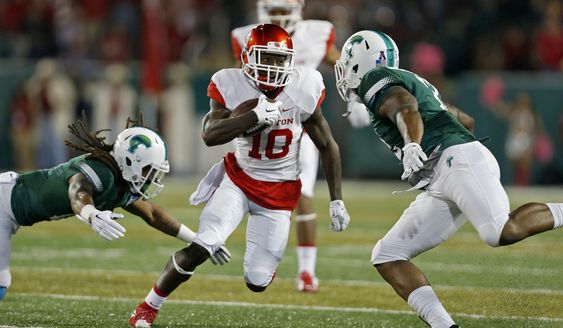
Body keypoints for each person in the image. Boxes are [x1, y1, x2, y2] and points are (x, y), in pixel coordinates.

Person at [334, 30, 563, 328]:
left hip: (455, 161)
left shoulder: (374, 79)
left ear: (359, 63)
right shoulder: (405, 79)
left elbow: (405, 107)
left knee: (499, 231)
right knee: (387, 255)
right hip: (442, 173)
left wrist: (413, 142)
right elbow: (464, 120)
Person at [128, 24, 350, 327]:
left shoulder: (304, 86)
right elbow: (209, 134)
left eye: (277, 59)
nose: (272, 66)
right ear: (247, 57)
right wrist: (253, 117)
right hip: (239, 182)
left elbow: (327, 145)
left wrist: (337, 200)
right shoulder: (230, 83)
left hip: (279, 193)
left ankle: (264, 264)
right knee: (203, 245)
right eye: (265, 58)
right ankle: (147, 308)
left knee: (257, 281)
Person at [0, 113, 231, 302]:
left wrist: (197, 240)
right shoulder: (102, 172)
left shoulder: (121, 183)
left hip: (11, 211)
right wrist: (91, 214)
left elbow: (152, 214)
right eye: (147, 170)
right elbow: (78, 191)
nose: (150, 178)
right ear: (130, 161)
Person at [231, 0, 368, 292]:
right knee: (256, 196)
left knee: (302, 195)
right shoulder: (246, 36)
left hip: (299, 126)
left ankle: (306, 272)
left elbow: (342, 65)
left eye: (284, 11)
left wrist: (356, 96)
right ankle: (265, 259)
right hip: (261, 127)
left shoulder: (316, 34)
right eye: (274, 12)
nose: (279, 17)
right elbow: (238, 79)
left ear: (297, 12)